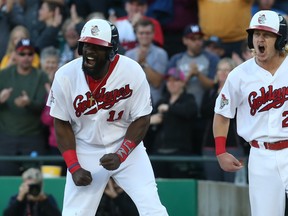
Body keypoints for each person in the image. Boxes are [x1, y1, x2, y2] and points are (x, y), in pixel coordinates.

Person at [46, 18, 168, 216]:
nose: (89, 51)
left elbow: (142, 118)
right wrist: (74, 166)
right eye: (85, 45)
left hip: (126, 146)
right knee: (74, 213)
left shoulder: (132, 71)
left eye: (97, 47)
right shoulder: (65, 76)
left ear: (111, 51)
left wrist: (122, 154)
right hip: (85, 147)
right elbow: (61, 122)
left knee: (152, 207)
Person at [213, 10, 288, 216]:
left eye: (267, 35)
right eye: (256, 34)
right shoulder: (239, 75)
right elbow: (222, 113)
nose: (259, 40)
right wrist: (220, 150)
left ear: (281, 40)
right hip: (260, 154)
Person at [168, 23, 219, 155]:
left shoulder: (211, 59)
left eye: (199, 39)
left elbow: (215, 85)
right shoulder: (176, 59)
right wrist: (188, 76)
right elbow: (170, 85)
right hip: (181, 112)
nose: (197, 42)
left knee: (200, 149)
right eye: (193, 39)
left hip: (204, 112)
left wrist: (198, 74)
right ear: (185, 40)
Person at [0, 38, 49, 175]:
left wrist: (29, 103)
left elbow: (45, 107)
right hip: (6, 137)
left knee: (34, 178)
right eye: (22, 54)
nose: (26, 57)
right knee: (5, 178)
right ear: (15, 55)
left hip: (33, 137)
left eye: (30, 54)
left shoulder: (41, 76)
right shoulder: (3, 75)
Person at [201, 58, 246, 182]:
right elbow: (204, 112)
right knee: (213, 182)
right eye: (220, 70)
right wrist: (220, 96)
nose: (222, 73)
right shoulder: (210, 92)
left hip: (234, 142)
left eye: (227, 70)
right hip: (210, 143)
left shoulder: (241, 91)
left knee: (234, 183)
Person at [150, 67, 198, 178]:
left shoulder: (188, 99)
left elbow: (189, 111)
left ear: (182, 83)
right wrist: (151, 121)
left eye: (175, 80)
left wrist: (169, 108)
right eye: (169, 80)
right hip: (159, 152)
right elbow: (150, 120)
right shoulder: (162, 100)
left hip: (180, 152)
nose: (171, 83)